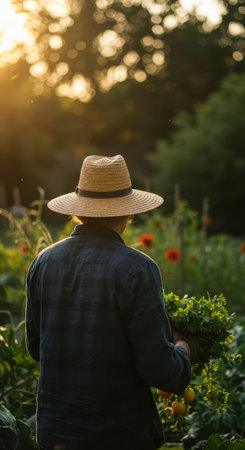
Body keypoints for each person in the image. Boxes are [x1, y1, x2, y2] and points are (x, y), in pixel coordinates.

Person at [26, 155, 198, 450]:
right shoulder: (137, 268)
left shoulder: (43, 261)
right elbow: (160, 371)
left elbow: (36, 348)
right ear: (127, 214)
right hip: (119, 434)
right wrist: (184, 347)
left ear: (79, 212)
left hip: (56, 433)